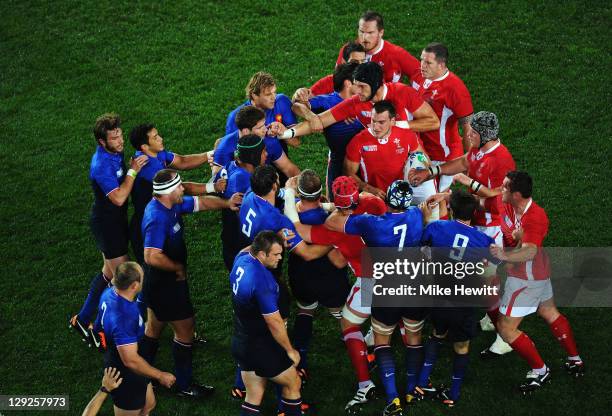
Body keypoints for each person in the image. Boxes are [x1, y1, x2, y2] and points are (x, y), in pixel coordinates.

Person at [410, 111, 516, 357]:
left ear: (485, 135)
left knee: (486, 281)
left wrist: (465, 184)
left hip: (491, 225)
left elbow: (497, 194)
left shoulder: (502, 160)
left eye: (472, 132)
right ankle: (493, 318)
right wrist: (432, 174)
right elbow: (463, 163)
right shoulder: (480, 151)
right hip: (477, 220)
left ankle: (505, 334)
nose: (467, 135)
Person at [325, 180, 430, 416]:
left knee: (381, 342)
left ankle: (392, 398)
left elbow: (331, 223)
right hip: (414, 286)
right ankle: (413, 389)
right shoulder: (415, 215)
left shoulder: (369, 223)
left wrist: (333, 207)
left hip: (384, 286)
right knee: (414, 337)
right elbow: (427, 212)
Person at [283, 176, 386, 412]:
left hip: (370, 278)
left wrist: (289, 194)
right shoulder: (373, 202)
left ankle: (365, 384)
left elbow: (299, 230)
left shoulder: (334, 228)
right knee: (394, 324)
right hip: (397, 268)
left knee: (349, 325)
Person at [138, 169, 241, 399]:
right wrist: (177, 268)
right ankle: (184, 384)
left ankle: (142, 376)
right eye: (179, 187)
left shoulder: (169, 205)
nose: (183, 189)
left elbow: (199, 203)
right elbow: (151, 255)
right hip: (166, 283)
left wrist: (226, 203)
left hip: (158, 283)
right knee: (185, 330)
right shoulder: (157, 217)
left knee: (153, 328)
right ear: (168, 192)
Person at [490, 171, 584, 393]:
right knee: (549, 312)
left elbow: (529, 252)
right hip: (540, 273)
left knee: (506, 328)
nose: (500, 190)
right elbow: (486, 201)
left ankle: (540, 371)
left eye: (505, 188)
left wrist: (503, 255)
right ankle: (575, 359)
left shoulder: (536, 217)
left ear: (517, 195)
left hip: (526, 279)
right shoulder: (510, 206)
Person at [415, 190, 500, 408]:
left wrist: (425, 219)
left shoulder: (435, 228)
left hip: (438, 297)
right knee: (461, 347)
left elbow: (422, 249)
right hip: (463, 303)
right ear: (473, 214)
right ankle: (453, 393)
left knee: (437, 333)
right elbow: (490, 274)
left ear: (451, 211)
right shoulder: (485, 241)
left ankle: (422, 382)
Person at [70, 113, 148, 349]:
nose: (120, 141)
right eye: (114, 138)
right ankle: (100, 331)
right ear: (102, 142)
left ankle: (83, 319)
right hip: (107, 225)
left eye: (120, 135)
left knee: (107, 273)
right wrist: (133, 171)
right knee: (122, 281)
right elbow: (119, 197)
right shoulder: (101, 165)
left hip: (116, 222)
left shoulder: (114, 152)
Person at [283, 170, 351, 382]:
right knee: (344, 315)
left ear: (299, 194)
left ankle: (300, 361)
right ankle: (359, 350)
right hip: (331, 277)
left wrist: (288, 194)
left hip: (300, 276)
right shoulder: (332, 220)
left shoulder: (287, 214)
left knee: (306, 310)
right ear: (321, 193)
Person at [231, 231, 304, 416]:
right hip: (262, 346)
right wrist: (290, 350)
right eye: (276, 254)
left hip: (241, 341)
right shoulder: (263, 282)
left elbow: (249, 248)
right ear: (262, 254)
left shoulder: (242, 258)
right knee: (293, 382)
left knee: (254, 394)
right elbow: (274, 323)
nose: (281, 258)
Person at [128, 123, 221, 265]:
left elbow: (183, 161)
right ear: (145, 147)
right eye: (155, 137)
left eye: (158, 134)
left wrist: (212, 154)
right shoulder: (147, 167)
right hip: (152, 223)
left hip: (166, 213)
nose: (160, 138)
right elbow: (182, 188)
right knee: (157, 271)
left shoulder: (156, 153)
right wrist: (213, 187)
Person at [279, 62, 439, 141]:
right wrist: (285, 133)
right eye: (356, 86)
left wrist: (397, 125)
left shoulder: (403, 92)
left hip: (410, 156)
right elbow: (320, 121)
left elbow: (433, 122)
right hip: (377, 158)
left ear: (376, 85)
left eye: (362, 87)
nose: (357, 92)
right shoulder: (356, 102)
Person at [94, 262, 176, 415]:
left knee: (149, 405)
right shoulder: (124, 318)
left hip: (133, 360)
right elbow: (130, 361)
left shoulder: (109, 293)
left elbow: (98, 326)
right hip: (124, 374)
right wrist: (160, 375)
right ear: (134, 285)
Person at [291, 63, 364, 199]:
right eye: (359, 82)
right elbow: (296, 105)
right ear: (348, 83)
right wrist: (312, 117)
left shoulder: (365, 99)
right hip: (339, 165)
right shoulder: (328, 101)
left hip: (365, 163)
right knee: (336, 206)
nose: (362, 86)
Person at [411, 42, 474, 191]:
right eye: (421, 60)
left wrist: (470, 162)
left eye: (428, 62)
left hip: (444, 156)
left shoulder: (455, 89)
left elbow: (468, 127)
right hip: (422, 151)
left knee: (440, 201)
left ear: (441, 65)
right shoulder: (422, 77)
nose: (422, 65)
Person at [344, 100, 427, 199]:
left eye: (381, 122)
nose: (375, 127)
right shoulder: (358, 141)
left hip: (403, 194)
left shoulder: (407, 135)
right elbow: (348, 173)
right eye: (373, 121)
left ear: (392, 121)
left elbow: (423, 159)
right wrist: (369, 189)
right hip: (374, 197)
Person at [214, 134, 268, 271]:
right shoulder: (241, 181)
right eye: (263, 152)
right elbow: (243, 216)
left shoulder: (233, 165)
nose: (266, 155)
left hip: (231, 239)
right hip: (240, 246)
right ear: (253, 157)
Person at [213, 105, 300, 180]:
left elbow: (288, 168)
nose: (266, 130)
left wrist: (306, 189)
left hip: (264, 180)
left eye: (264, 125)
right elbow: (217, 182)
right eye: (259, 128)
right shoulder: (225, 148)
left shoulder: (268, 140)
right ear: (246, 131)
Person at [336, 11, 421, 84]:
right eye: (361, 32)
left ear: (381, 32)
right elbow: (337, 79)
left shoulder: (397, 54)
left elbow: (419, 73)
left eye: (370, 33)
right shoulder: (348, 49)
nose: (364, 37)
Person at [226, 72, 299, 154]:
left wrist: (281, 133)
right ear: (254, 95)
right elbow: (232, 152)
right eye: (268, 94)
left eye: (274, 92)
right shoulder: (235, 117)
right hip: (251, 163)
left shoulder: (281, 102)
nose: (273, 97)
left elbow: (296, 143)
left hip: (279, 159)